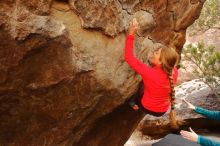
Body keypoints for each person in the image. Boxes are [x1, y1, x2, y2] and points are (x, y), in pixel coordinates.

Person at [125, 18, 179, 128]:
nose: (154, 53)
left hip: (146, 107)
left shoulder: (149, 73)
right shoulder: (174, 71)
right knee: (148, 84)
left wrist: (131, 34)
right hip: (162, 111)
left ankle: (135, 105)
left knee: (140, 87)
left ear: (161, 62)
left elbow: (129, 58)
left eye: (157, 53)